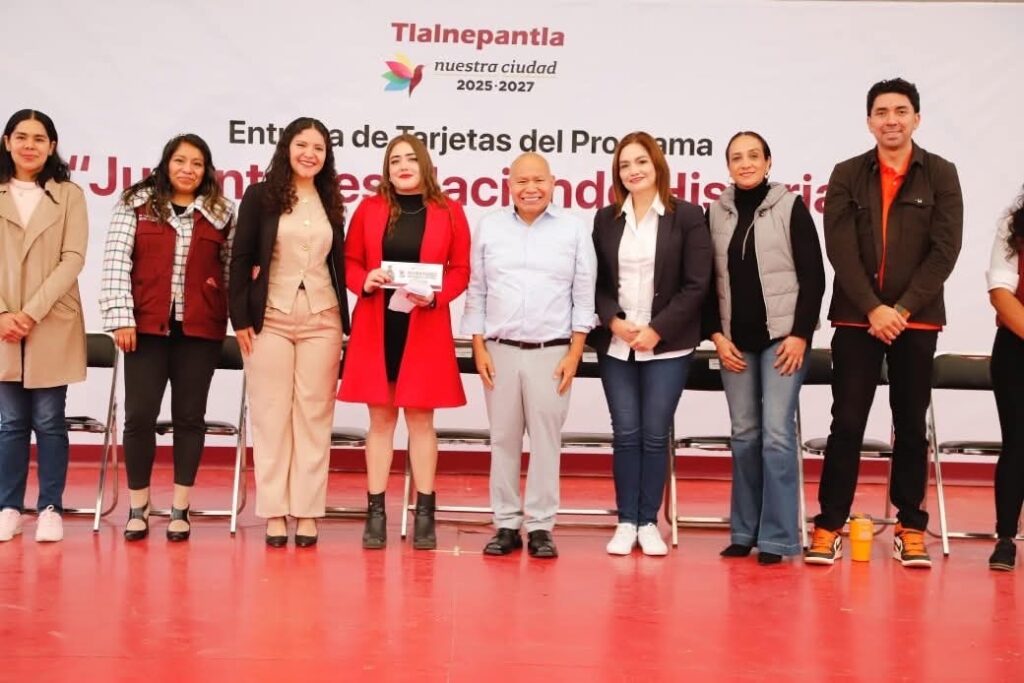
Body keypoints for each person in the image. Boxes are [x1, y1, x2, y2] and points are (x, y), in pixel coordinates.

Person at [806, 78, 963, 568]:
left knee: (910, 425)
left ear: (917, 118)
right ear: (869, 121)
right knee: (847, 423)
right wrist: (873, 308)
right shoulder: (847, 173)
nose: (891, 120)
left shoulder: (941, 174)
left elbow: (945, 250)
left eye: (900, 111)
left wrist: (903, 309)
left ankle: (910, 527)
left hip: (917, 322)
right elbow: (840, 248)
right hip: (857, 320)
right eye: (881, 112)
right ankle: (829, 524)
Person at [99, 133, 235, 542]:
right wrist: (121, 318)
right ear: (165, 164)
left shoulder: (222, 212)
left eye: (197, 163)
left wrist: (238, 317)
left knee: (189, 418)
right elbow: (116, 261)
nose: (187, 170)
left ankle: (180, 507)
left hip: (200, 330)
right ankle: (138, 507)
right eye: (180, 161)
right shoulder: (135, 203)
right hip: (143, 328)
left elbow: (231, 269)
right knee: (140, 416)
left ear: (206, 171)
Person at [461, 152, 596, 559]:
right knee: (502, 440)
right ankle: (505, 523)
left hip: (552, 353)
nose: (530, 188)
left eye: (538, 180)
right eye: (522, 181)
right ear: (509, 185)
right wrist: (478, 347)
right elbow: (477, 290)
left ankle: (540, 526)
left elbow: (583, 295)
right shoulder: (490, 227)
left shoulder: (573, 229)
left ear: (553, 183)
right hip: (499, 351)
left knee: (545, 441)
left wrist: (574, 353)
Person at [340, 134, 470, 551]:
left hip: (424, 324)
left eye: (410, 158)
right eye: (394, 160)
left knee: (420, 421)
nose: (402, 166)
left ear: (425, 164)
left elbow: (460, 269)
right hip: (378, 324)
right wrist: (365, 279)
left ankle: (425, 512)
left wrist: (437, 296)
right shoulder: (369, 208)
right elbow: (349, 261)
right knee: (380, 421)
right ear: (387, 169)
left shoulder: (449, 211)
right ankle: (375, 512)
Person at [704, 131, 826, 564]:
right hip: (734, 344)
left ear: (768, 162)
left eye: (754, 155)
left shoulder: (791, 207)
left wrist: (800, 334)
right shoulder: (714, 213)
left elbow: (814, 277)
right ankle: (744, 532)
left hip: (782, 341)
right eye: (737, 157)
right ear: (728, 167)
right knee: (744, 436)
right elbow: (705, 282)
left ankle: (777, 539)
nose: (746, 163)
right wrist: (716, 337)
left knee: (776, 435)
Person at [229, 117, 350, 548]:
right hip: (270, 317)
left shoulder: (331, 200)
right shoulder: (260, 196)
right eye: (302, 145)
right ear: (286, 148)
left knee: (314, 415)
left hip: (323, 317)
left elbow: (337, 263)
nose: (309, 154)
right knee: (271, 414)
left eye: (318, 148)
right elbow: (240, 258)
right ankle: (275, 511)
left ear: (326, 157)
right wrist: (240, 318)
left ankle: (308, 511)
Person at [591, 132, 712, 556]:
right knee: (626, 434)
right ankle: (626, 521)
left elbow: (697, 284)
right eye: (625, 165)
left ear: (657, 165)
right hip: (617, 345)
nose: (633, 171)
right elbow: (596, 283)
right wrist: (613, 320)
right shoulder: (605, 219)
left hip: (668, 345)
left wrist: (657, 330)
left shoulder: (688, 216)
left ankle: (648, 522)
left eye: (641, 161)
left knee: (655, 434)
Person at [0, 109, 88, 543]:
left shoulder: (69, 195)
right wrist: (4, 314)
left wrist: (30, 312)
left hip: (51, 320)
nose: (29, 145)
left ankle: (50, 506)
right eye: (22, 137)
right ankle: (8, 507)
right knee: (10, 422)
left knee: (50, 420)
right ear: (7, 141)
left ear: (52, 146)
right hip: (2, 325)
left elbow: (73, 258)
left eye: (39, 138)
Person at [985, 187, 1024, 571]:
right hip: (1017, 348)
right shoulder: (1015, 225)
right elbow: (1000, 292)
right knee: (1018, 443)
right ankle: (1006, 539)